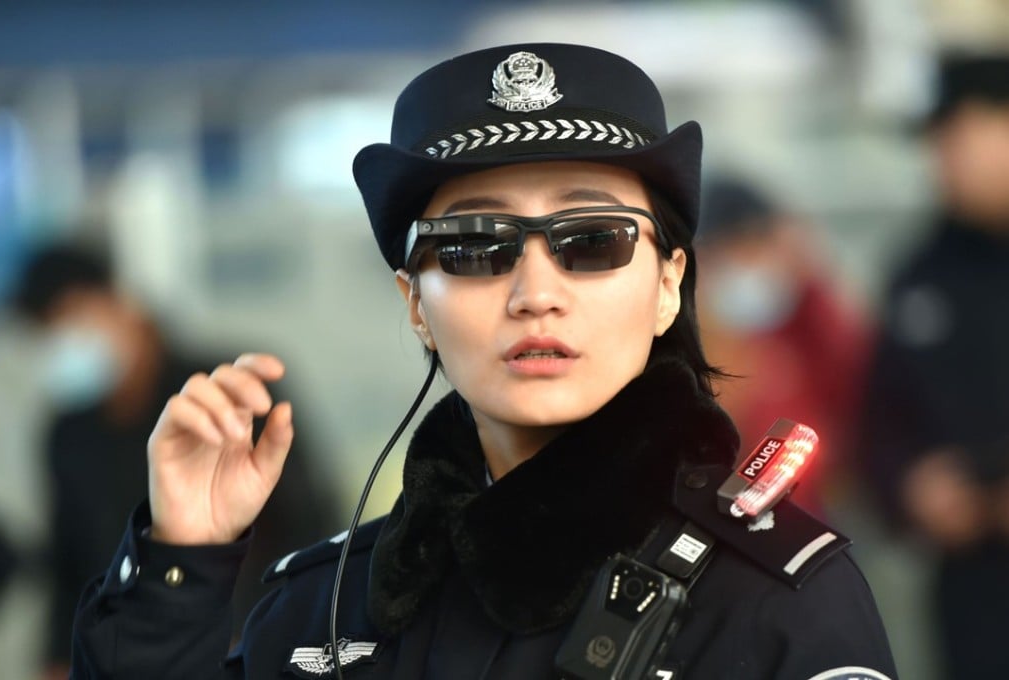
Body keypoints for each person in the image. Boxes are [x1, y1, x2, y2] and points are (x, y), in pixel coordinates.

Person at [68, 43, 897, 679]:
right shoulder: (319, 609)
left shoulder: (775, 601)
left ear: (668, 288)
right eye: (473, 248)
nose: (535, 291)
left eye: (593, 240)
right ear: (413, 304)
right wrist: (183, 560)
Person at [9, 242, 341, 677]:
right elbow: (70, 559)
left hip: (247, 642)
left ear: (119, 303)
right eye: (47, 330)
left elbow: (307, 523)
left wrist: (258, 627)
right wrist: (58, 655)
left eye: (70, 318)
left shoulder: (224, 396)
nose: (61, 341)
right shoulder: (68, 431)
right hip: (123, 655)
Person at [858, 51, 1009, 680]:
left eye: (961, 135)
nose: (943, 158)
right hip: (975, 587)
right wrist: (910, 486)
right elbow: (880, 417)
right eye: (937, 141)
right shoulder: (920, 273)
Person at [696, 176, 872, 520]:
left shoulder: (798, 332)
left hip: (807, 522)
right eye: (734, 250)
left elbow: (856, 384)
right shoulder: (683, 347)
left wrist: (811, 281)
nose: (749, 264)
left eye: (759, 246)